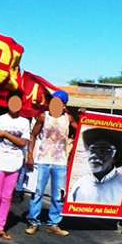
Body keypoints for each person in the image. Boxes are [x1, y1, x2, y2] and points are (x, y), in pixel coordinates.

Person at [25, 90, 77, 236]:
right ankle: (33, 222)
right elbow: (33, 135)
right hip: (42, 160)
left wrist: (82, 116)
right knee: (38, 192)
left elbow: (81, 130)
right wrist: (30, 155)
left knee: (58, 194)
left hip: (60, 162)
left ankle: (53, 224)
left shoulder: (68, 118)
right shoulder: (43, 117)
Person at [0, 94, 30, 240]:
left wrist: (5, 134)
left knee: (7, 197)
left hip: (15, 162)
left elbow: (23, 143)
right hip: (0, 160)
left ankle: (1, 227)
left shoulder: (25, 122)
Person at [68, 128, 122, 204]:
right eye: (92, 150)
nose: (94, 155)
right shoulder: (80, 185)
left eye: (102, 151)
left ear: (115, 156)